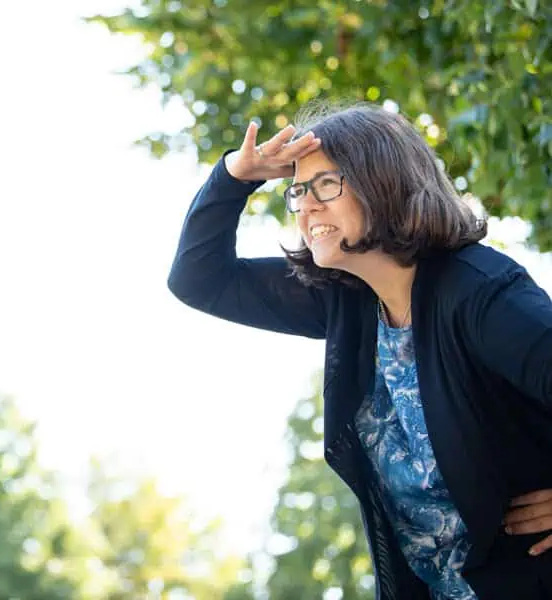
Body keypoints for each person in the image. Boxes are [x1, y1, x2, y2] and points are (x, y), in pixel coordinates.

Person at [167, 103, 552, 599]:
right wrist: (235, 176)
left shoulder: (482, 292)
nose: (306, 206)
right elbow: (199, 279)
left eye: (326, 184)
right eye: (298, 191)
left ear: (383, 181)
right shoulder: (345, 299)